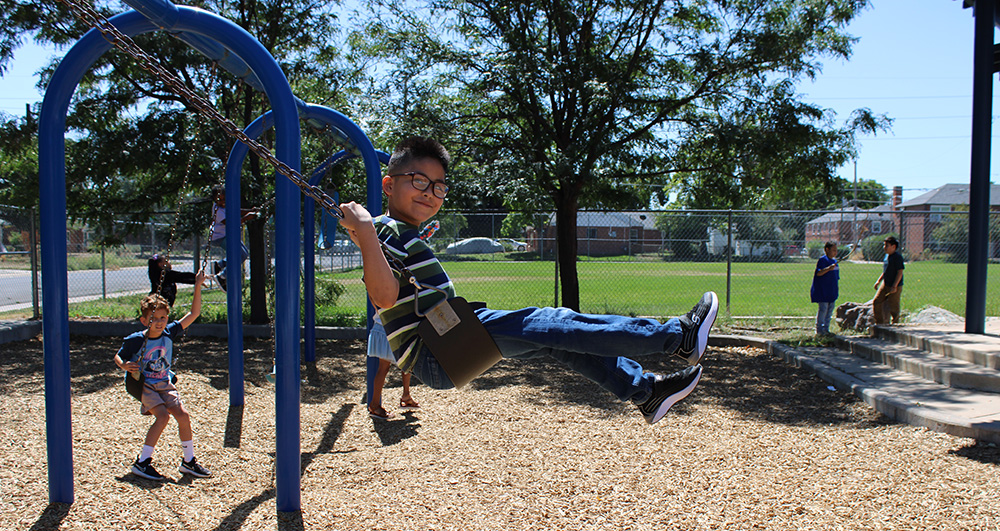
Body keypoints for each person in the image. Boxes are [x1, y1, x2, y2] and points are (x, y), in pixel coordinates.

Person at [338, 137, 718, 425]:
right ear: (389, 186)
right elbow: (384, 298)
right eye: (419, 180)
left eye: (439, 186)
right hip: (439, 347)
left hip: (448, 343)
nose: (430, 192)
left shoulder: (401, 233)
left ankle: (647, 392)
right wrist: (367, 232)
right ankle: (676, 336)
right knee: (550, 321)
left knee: (556, 342)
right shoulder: (385, 230)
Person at [114, 271, 212, 481]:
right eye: (153, 319)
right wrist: (125, 366)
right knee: (163, 417)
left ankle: (189, 462)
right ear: (144, 320)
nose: (158, 322)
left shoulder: (169, 332)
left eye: (162, 318)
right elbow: (118, 356)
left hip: (165, 383)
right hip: (147, 386)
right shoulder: (136, 339)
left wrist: (197, 285)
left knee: (183, 416)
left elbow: (193, 314)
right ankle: (142, 463)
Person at [366, 315, 420, 420]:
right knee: (389, 366)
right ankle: (375, 405)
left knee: (404, 362)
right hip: (391, 327)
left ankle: (406, 396)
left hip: (388, 326)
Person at [209, 185, 257, 292]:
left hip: (229, 235)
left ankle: (219, 264)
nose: (222, 202)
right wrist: (246, 218)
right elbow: (230, 223)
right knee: (238, 255)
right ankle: (222, 276)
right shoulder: (218, 211)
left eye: (224, 199)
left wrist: (250, 210)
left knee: (243, 254)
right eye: (219, 200)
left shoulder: (225, 206)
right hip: (220, 237)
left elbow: (236, 211)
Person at [872, 235, 904, 326]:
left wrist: (895, 286)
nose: (884, 247)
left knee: (894, 306)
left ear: (893, 247)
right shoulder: (887, 256)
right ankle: (880, 324)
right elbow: (885, 271)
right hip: (885, 283)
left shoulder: (897, 257)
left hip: (895, 285)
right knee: (876, 301)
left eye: (886, 245)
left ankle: (895, 324)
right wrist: (878, 281)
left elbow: (900, 272)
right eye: (884, 245)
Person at [810, 242, 839, 336]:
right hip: (823, 291)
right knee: (823, 309)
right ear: (827, 249)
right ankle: (819, 330)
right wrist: (828, 269)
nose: (835, 252)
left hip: (831, 291)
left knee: (830, 310)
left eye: (836, 250)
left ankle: (826, 329)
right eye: (833, 250)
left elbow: (836, 277)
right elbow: (819, 273)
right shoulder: (823, 260)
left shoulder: (835, 262)